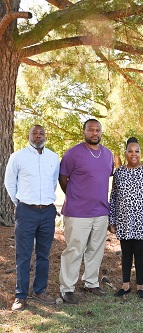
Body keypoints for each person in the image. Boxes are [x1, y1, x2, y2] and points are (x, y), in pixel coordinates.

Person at [4, 125, 60, 311]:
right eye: (34, 133)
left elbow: (53, 182)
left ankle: (40, 290)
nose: (38, 136)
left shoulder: (53, 157)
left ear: (46, 136)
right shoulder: (18, 157)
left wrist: (44, 202)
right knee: (23, 255)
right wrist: (19, 203)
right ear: (28, 136)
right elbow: (10, 182)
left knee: (43, 254)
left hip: (47, 212)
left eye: (41, 133)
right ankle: (20, 295)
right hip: (26, 211)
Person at [59, 119, 114, 304]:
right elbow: (63, 179)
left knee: (96, 250)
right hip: (77, 212)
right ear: (84, 131)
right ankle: (67, 289)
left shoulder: (108, 155)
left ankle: (91, 283)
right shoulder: (73, 154)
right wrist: (75, 196)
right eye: (91, 130)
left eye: (98, 130)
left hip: (101, 211)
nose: (94, 133)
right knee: (74, 250)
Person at [108, 137, 143, 298]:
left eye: (137, 151)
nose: (134, 154)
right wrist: (112, 221)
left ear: (141, 153)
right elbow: (114, 197)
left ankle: (140, 286)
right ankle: (125, 286)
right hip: (123, 220)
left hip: (141, 220)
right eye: (130, 151)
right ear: (125, 153)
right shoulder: (119, 172)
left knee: (139, 252)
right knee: (125, 252)